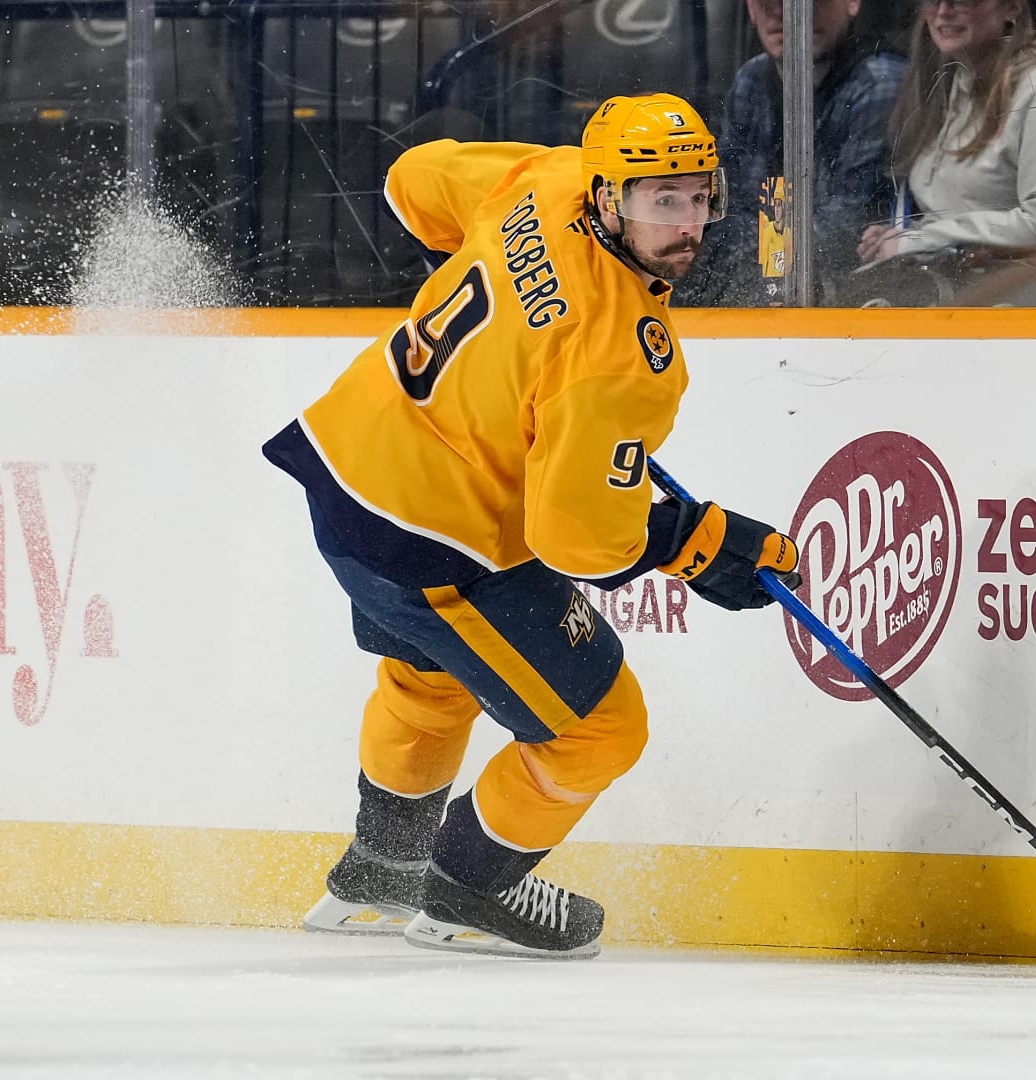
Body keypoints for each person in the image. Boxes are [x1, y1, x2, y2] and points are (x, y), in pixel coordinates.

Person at [260, 93, 802, 959]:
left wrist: (503, 309)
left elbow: (412, 180)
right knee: (602, 726)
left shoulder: (545, 179)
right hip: (437, 538)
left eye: (699, 196)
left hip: (349, 472)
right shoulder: (622, 354)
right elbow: (577, 541)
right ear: (607, 198)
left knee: (431, 679)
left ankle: (380, 876)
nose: (686, 224)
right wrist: (697, 543)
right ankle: (468, 888)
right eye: (661, 199)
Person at [673, 0, 906, 307]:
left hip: (853, 290)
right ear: (751, 10)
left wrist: (752, 253)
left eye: (813, 3)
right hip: (759, 274)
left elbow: (847, 224)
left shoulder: (879, 82)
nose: (785, 16)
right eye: (769, 4)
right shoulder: (751, 79)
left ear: (851, 3)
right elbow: (726, 201)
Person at [855, 0, 1036, 268]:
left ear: (1013, 7)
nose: (943, 11)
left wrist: (924, 240)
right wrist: (906, 236)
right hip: (969, 283)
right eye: (933, 0)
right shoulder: (952, 82)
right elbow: (962, 212)